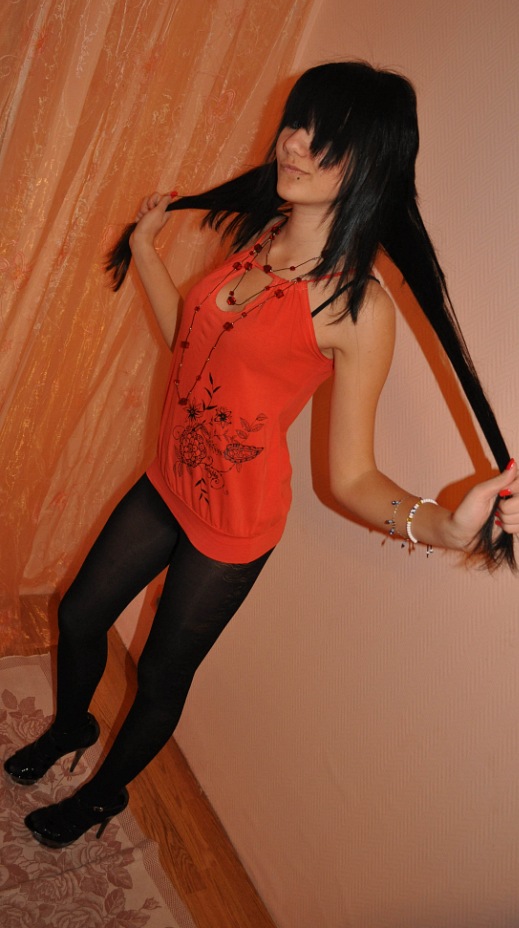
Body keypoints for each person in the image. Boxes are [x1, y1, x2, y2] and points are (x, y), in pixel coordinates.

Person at [5, 62, 518, 849]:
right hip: (169, 478)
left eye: (324, 137)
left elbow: (350, 476)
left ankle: (103, 796)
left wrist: (448, 528)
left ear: (369, 165)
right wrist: (145, 249)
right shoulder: (263, 236)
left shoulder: (355, 306)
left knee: (159, 675)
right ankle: (72, 726)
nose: (294, 142)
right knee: (79, 614)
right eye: (296, 122)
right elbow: (190, 343)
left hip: (234, 523)